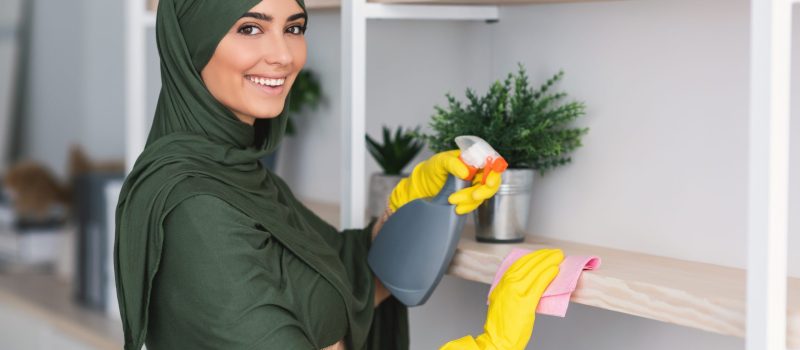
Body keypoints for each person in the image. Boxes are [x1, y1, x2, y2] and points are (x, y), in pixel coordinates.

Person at [114, 0, 562, 349]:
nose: (283, 55)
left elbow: (345, 279)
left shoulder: (238, 174)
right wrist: (490, 345)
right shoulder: (196, 206)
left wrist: (413, 204)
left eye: (294, 28)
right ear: (192, 42)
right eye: (249, 28)